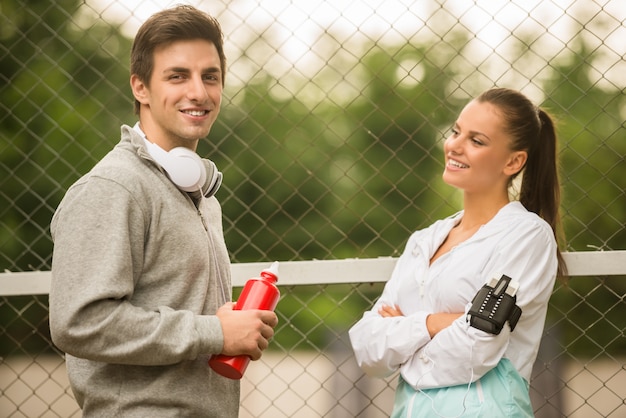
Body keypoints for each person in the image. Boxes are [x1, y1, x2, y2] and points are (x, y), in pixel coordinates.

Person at [49, 6, 278, 417]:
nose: (200, 92)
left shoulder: (199, 192)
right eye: (178, 76)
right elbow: (79, 322)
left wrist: (223, 327)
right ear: (140, 87)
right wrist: (214, 332)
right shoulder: (115, 188)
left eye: (211, 76)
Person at [349, 88, 567, 417]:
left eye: (476, 141)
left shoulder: (526, 236)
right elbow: (368, 350)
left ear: (513, 161)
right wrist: (437, 323)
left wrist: (403, 334)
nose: (454, 145)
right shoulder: (424, 240)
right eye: (455, 131)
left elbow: (475, 349)